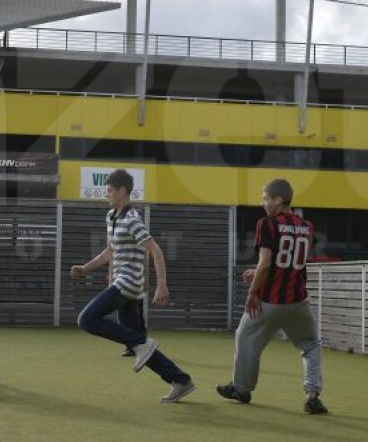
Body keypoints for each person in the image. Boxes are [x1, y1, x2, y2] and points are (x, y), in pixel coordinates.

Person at [71, 169, 196, 403]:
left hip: (128, 284)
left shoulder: (132, 220)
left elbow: (155, 250)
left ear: (122, 191)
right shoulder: (111, 216)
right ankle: (181, 380)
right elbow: (110, 252)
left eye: (109, 191)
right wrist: (85, 268)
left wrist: (162, 286)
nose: (106, 194)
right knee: (138, 342)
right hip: (128, 287)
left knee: (86, 320)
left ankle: (141, 343)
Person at [217, 178, 328, 414]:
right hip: (298, 301)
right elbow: (286, 263)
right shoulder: (306, 226)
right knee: (311, 344)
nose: (263, 203)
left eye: (266, 198)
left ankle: (242, 388)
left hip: (269, 301)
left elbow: (267, 262)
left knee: (246, 337)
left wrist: (252, 293)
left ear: (279, 200)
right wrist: (256, 271)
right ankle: (312, 395)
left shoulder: (266, 224)